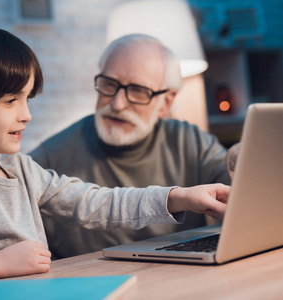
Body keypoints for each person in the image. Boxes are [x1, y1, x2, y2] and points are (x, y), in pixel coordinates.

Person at [0, 24, 229, 296]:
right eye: (11, 101)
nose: (26, 115)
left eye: (27, 100)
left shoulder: (20, 169)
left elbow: (95, 202)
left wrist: (176, 197)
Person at [29, 34, 232, 259]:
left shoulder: (189, 141)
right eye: (109, 84)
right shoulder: (49, 159)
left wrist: (240, 159)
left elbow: (241, 187)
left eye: (137, 90)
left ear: (166, 102)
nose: (117, 104)